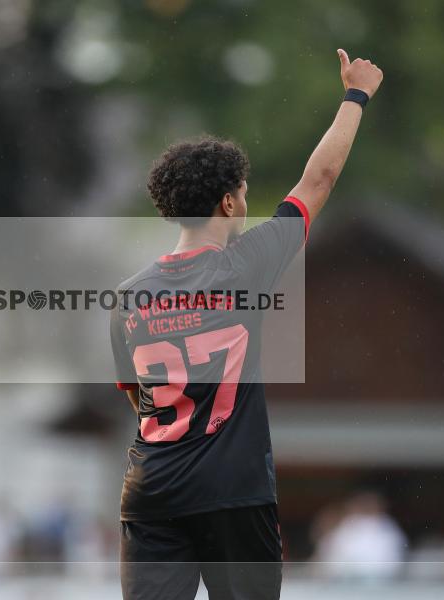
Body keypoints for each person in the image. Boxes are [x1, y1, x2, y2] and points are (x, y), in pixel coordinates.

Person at [110, 49, 383, 599]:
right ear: (229, 202)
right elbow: (319, 178)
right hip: (234, 491)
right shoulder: (247, 266)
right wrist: (356, 96)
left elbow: (136, 396)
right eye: (243, 195)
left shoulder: (128, 297)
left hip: (152, 491)